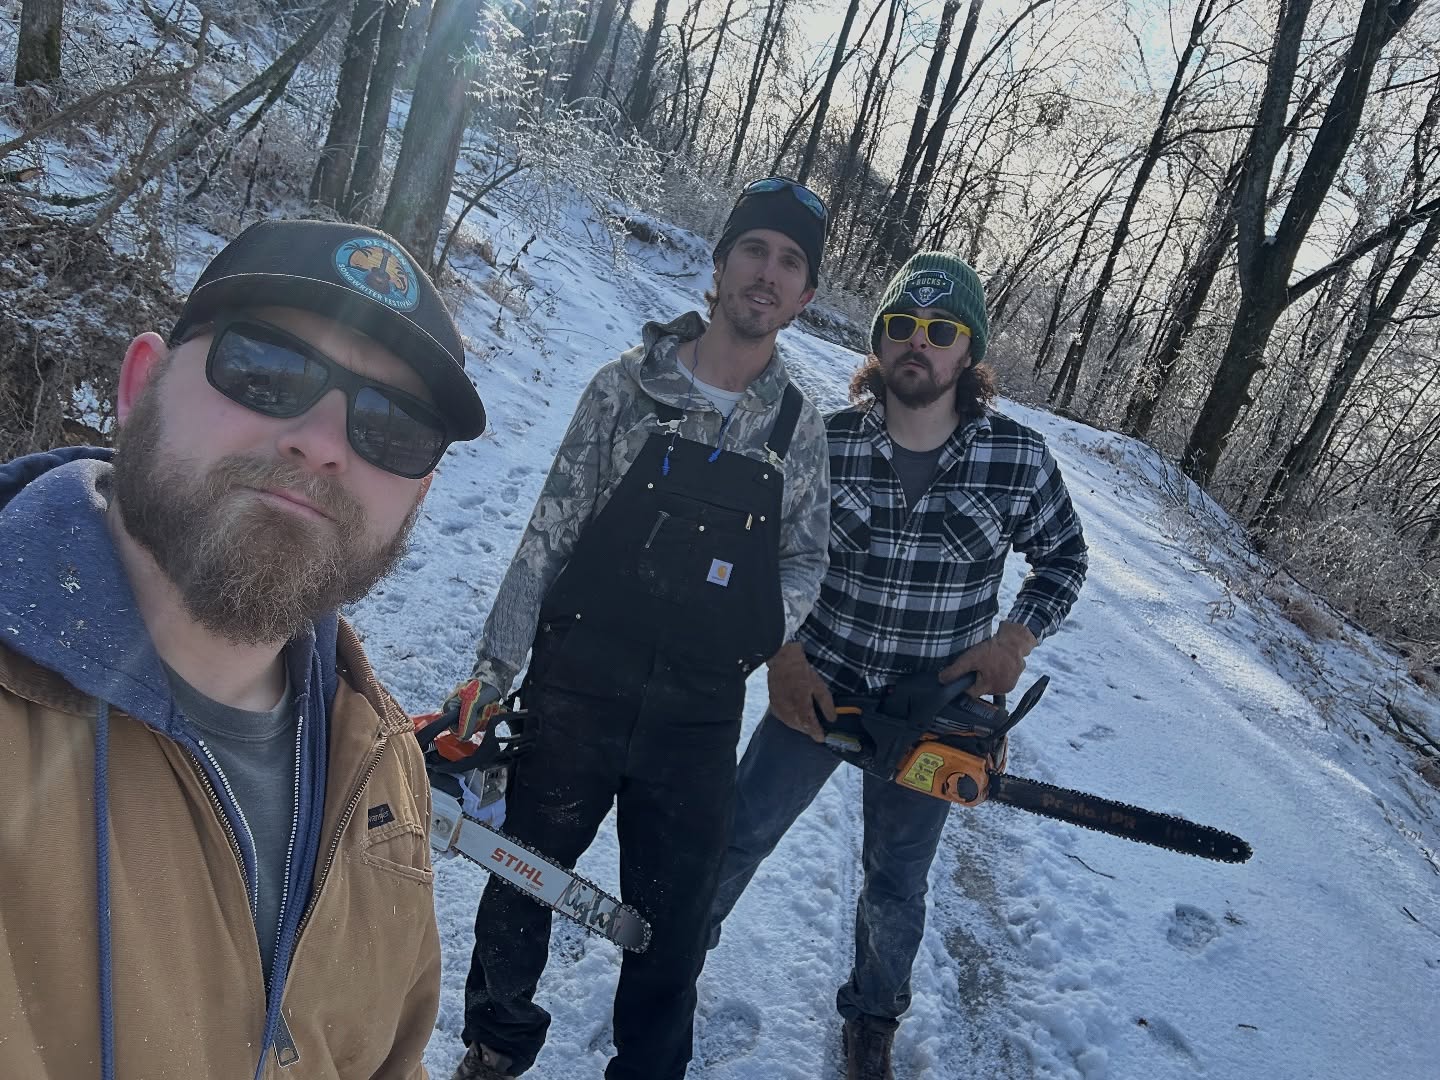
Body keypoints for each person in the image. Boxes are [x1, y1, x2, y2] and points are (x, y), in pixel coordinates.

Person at [0, 219, 488, 1079]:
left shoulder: (379, 762)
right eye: (267, 369)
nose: (324, 443)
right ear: (140, 384)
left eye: (394, 425)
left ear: (418, 496)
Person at [445, 178, 834, 1080]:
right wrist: (490, 676)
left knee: (674, 924)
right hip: (575, 686)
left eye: (789, 262)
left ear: (806, 294)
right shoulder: (625, 388)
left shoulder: (795, 427)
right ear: (720, 261)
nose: (766, 275)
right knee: (520, 879)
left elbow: (807, 557)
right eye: (754, 250)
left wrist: (756, 630)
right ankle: (494, 1050)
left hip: (696, 716)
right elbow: (550, 531)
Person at [707, 252, 1090, 1079]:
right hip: (820, 689)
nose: (921, 344)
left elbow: (1063, 559)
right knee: (736, 837)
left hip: (933, 711)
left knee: (896, 880)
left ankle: (873, 1017)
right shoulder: (823, 440)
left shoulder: (1016, 461)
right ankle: (672, 963)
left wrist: (1014, 639)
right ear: (879, 342)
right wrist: (783, 654)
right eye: (903, 328)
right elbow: (762, 554)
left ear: (969, 352)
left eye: (942, 331)